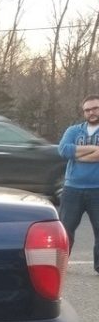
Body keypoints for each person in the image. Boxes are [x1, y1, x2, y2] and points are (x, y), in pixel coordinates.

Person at [58, 95, 99, 272]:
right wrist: (95, 150)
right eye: (88, 110)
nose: (91, 112)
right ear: (83, 112)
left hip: (97, 189)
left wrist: (78, 154)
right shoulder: (74, 130)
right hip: (72, 189)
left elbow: (71, 151)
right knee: (65, 230)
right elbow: (63, 150)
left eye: (95, 108)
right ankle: (59, 265)